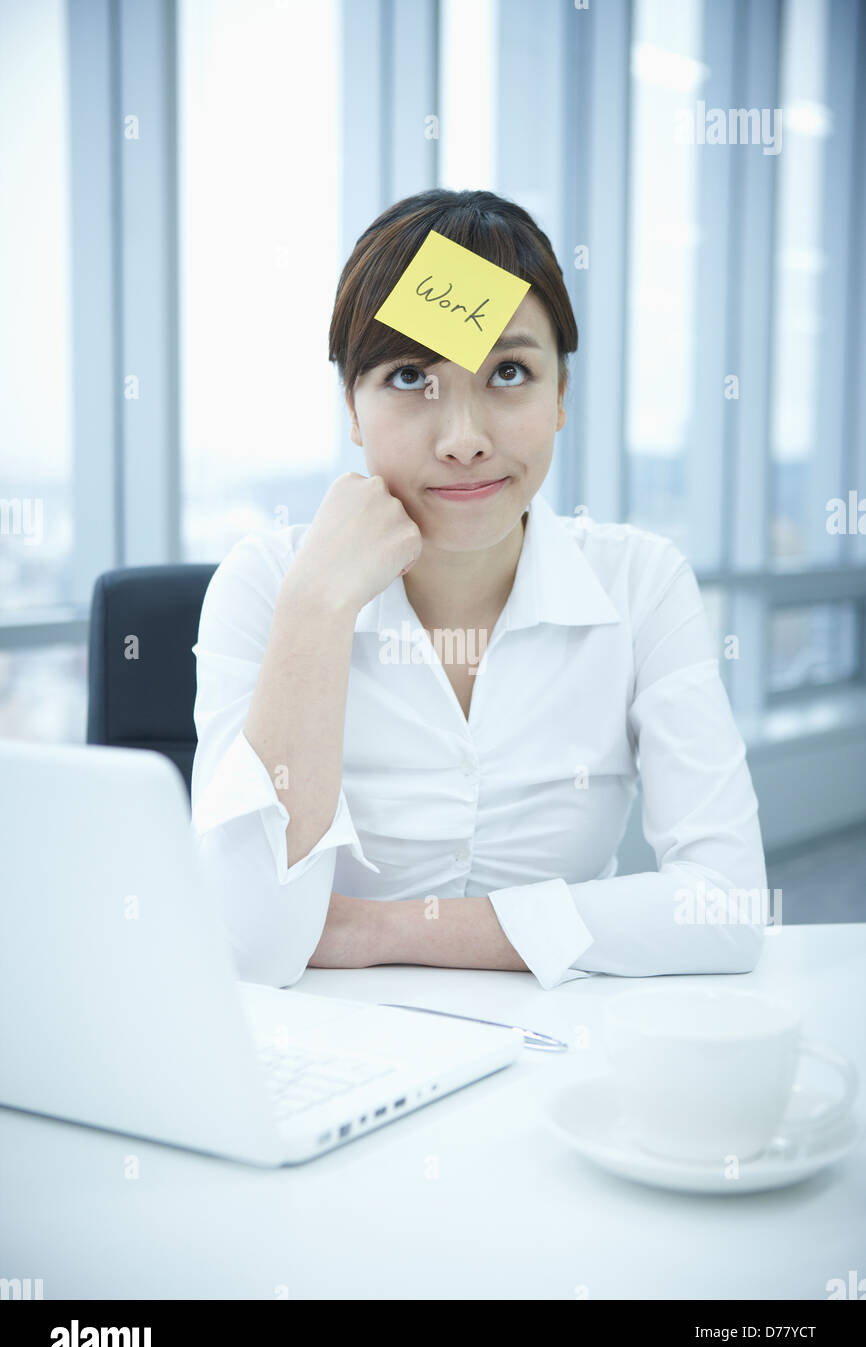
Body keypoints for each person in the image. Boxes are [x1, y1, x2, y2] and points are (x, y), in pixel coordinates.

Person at [190, 188, 768, 991]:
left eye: (508, 372)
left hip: (567, 1054)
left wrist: (382, 929)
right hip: (328, 1061)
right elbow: (252, 945)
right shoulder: (267, 586)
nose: (463, 440)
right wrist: (317, 611)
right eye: (408, 376)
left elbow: (728, 910)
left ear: (561, 394)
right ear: (350, 409)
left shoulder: (640, 584)